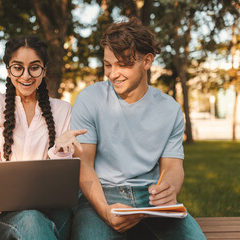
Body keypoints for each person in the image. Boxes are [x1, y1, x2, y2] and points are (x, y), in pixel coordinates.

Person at [56, 18, 206, 239]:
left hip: (150, 199)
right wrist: (106, 212)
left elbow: (173, 166)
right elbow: (83, 165)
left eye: (123, 64)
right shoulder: (90, 99)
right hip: (100, 196)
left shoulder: (170, 109)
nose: (113, 73)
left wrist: (169, 188)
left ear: (147, 61)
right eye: (108, 64)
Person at [0, 35, 73, 240]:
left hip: (54, 211)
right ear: (8, 70)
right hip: (6, 213)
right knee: (31, 221)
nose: (26, 76)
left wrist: (60, 151)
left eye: (34, 67)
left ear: (44, 70)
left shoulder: (62, 110)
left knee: (37, 223)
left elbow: (64, 179)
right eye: (18, 67)